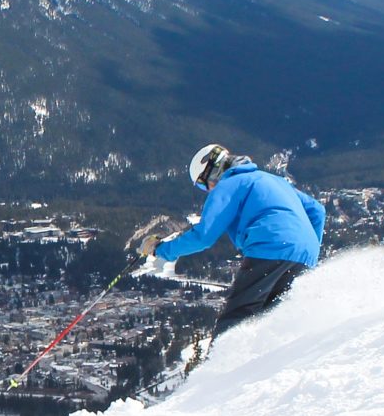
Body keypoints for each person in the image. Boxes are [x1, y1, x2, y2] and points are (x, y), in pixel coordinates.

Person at [131, 143, 325, 338]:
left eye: (201, 184)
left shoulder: (228, 184)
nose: (206, 190)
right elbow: (317, 210)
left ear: (210, 173)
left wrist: (160, 249)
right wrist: (310, 247)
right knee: (272, 314)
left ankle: (222, 365)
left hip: (270, 247)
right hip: (305, 254)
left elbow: (203, 237)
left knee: (236, 317)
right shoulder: (273, 179)